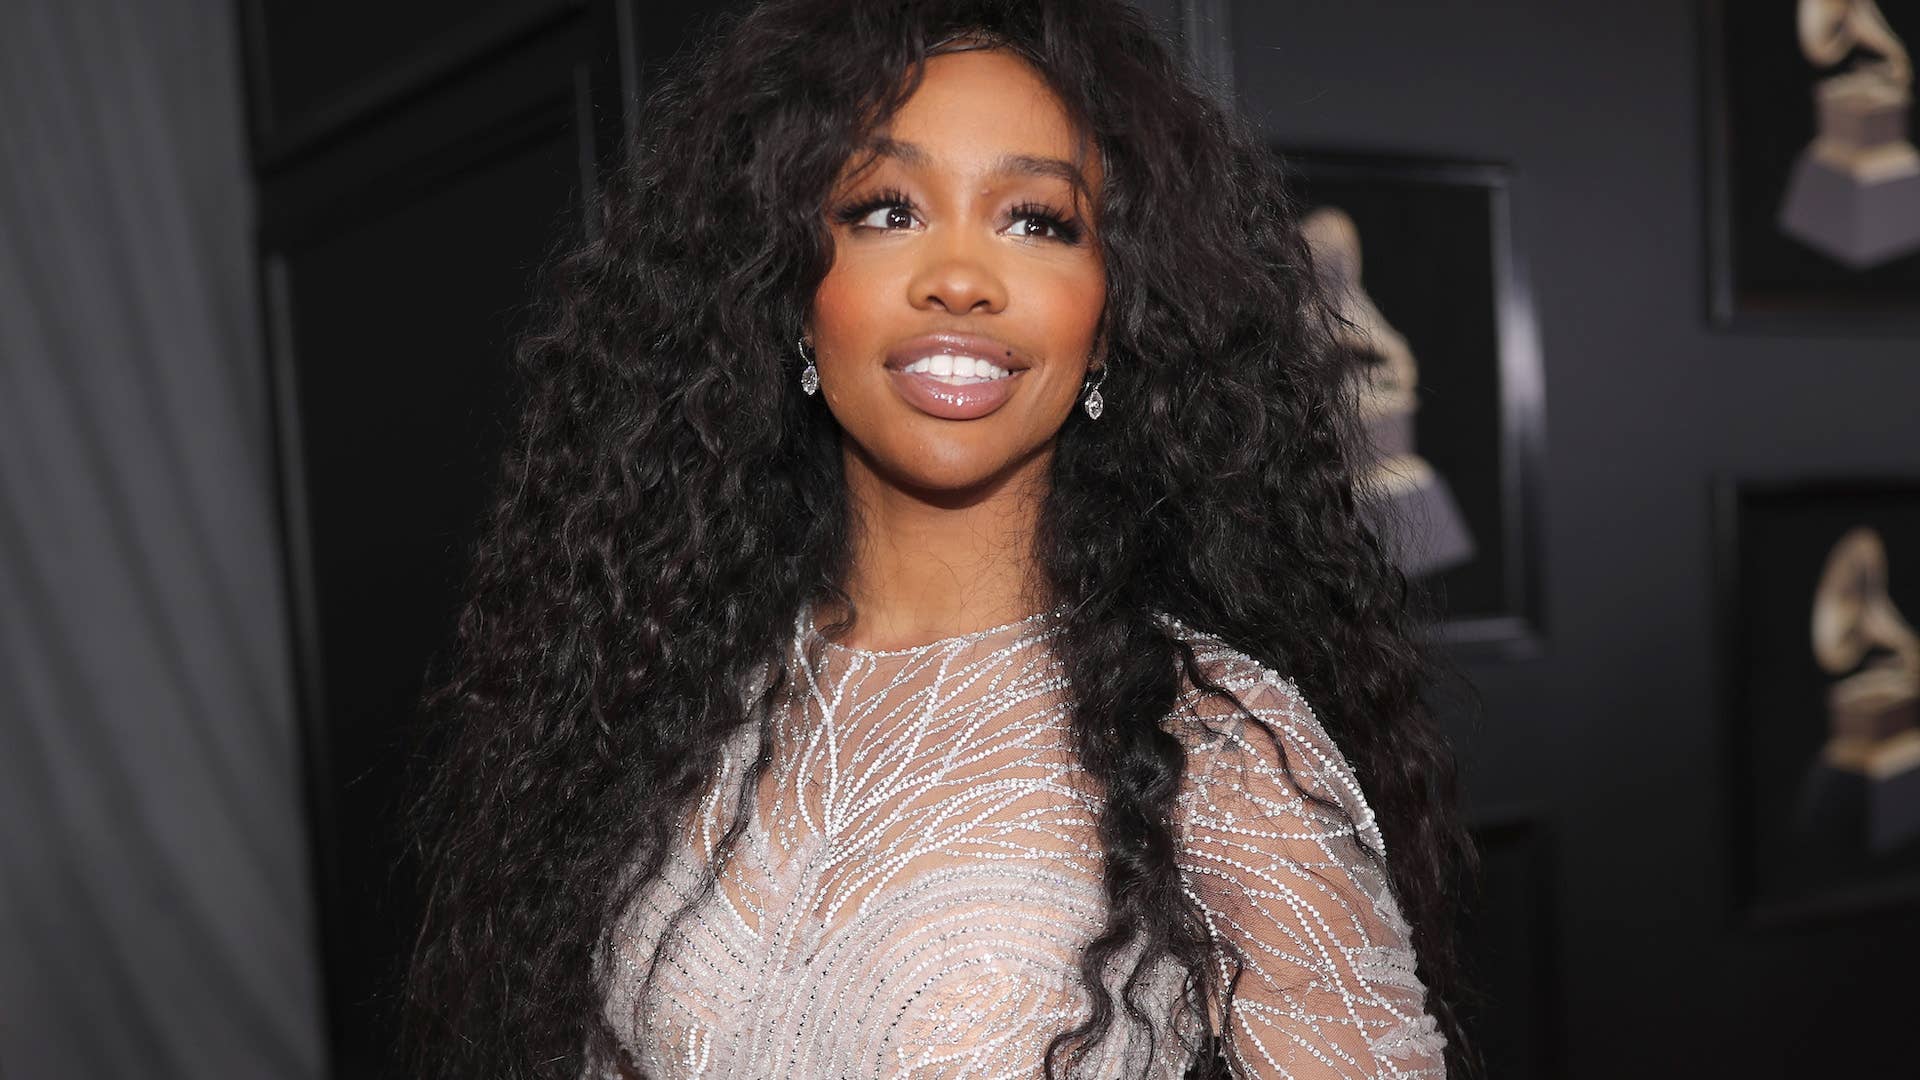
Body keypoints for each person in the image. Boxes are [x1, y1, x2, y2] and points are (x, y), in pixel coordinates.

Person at [400, 1, 1479, 1077]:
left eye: (1037, 221)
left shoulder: (1216, 750)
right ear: (791, 291)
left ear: (1112, 317)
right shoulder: (662, 700)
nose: (959, 278)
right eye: (886, 209)